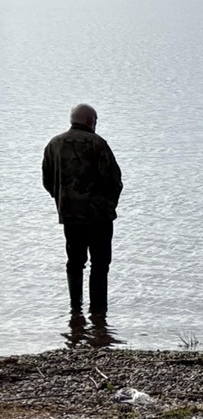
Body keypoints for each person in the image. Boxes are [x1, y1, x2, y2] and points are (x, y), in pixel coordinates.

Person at [42, 104, 123, 316]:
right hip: (99, 217)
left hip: (70, 215)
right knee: (100, 264)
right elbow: (114, 180)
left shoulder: (54, 144)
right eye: (95, 121)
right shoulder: (98, 144)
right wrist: (109, 205)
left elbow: (47, 180)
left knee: (75, 262)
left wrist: (63, 200)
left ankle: (75, 309)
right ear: (89, 120)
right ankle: (98, 311)